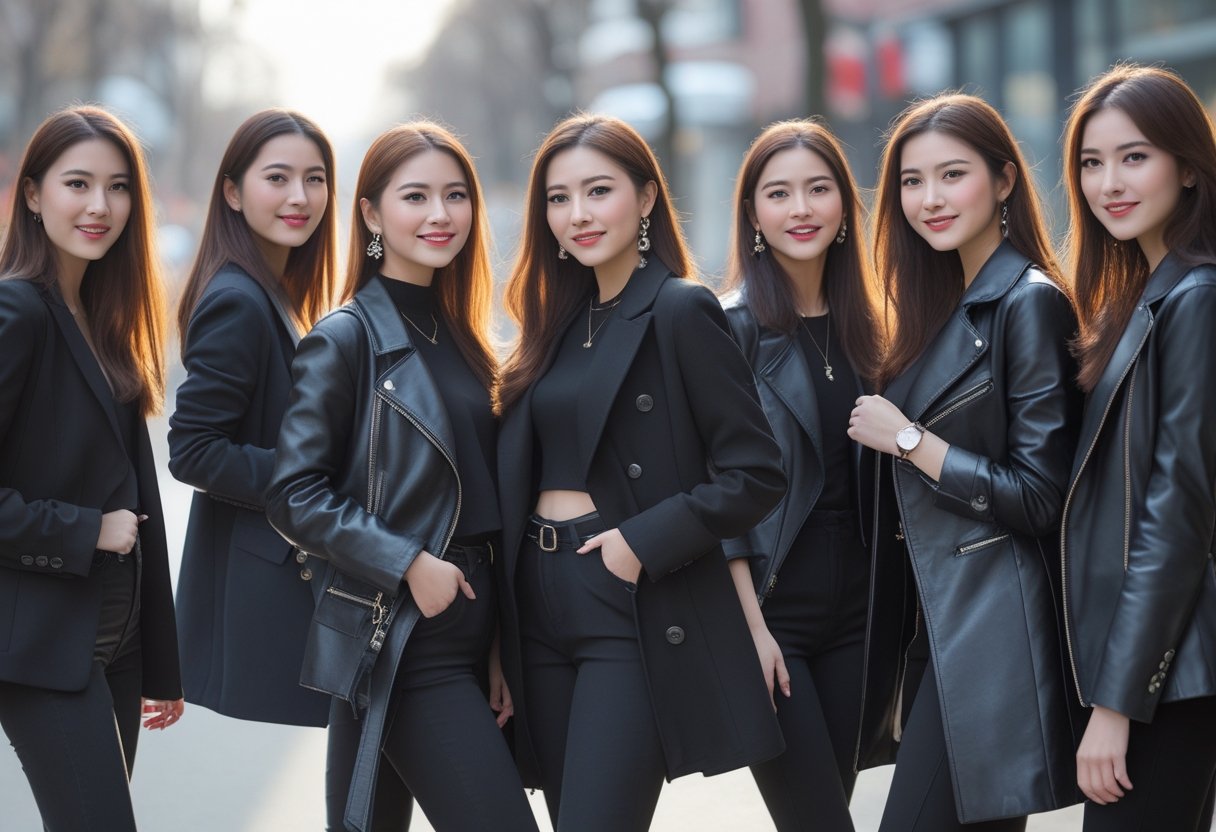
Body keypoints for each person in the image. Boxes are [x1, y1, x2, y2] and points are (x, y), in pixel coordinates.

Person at [494, 113, 787, 832]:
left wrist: (641, 543)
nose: (579, 214)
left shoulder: (679, 309)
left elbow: (755, 472)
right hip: (534, 602)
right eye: (559, 199)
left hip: (624, 599)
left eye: (599, 191)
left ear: (647, 198)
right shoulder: (553, 321)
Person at [267, 122, 538, 832]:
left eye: (455, 195)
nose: (440, 214)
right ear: (370, 214)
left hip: (473, 622)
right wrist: (407, 559)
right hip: (406, 630)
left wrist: (500, 641)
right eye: (415, 196)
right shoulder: (346, 337)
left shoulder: (470, 339)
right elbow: (293, 494)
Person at [848, 93, 1082, 830]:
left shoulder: (1029, 304)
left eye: (953, 175)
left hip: (993, 632)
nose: (930, 199)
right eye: (912, 182)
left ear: (1005, 180)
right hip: (934, 629)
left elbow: (1041, 496)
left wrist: (912, 442)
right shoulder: (934, 307)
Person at [0, 105, 183, 831]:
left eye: (117, 187)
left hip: (110, 646)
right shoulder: (18, 312)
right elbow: (107, 518)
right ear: (35, 194)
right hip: (40, 645)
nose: (100, 206)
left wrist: (156, 660)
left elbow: (138, 502)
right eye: (78, 183)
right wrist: (82, 531)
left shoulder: (104, 320)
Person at [1060, 63, 1216, 831]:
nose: (1108, 182)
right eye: (1092, 162)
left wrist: (1119, 701)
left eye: (1135, 157)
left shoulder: (1197, 298)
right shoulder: (1144, 296)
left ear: (1188, 168)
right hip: (1165, 672)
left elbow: (1175, 512)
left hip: (1170, 679)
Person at [718, 119, 881, 832]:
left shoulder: (875, 328)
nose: (801, 208)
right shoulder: (729, 328)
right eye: (778, 193)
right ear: (753, 215)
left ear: (845, 205)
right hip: (772, 611)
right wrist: (748, 630)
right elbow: (717, 495)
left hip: (861, 616)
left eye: (819, 189)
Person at [169, 109, 337, 735]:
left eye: (315, 179)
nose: (300, 197)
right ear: (233, 192)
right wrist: (315, 478)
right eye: (278, 178)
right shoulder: (238, 300)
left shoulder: (273, 287)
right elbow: (193, 450)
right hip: (271, 574)